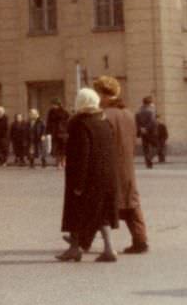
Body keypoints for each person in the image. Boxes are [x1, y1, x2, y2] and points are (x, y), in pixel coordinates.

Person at [57, 87, 119, 263]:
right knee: (102, 213)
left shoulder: (80, 123)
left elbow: (82, 154)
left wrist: (78, 184)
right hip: (106, 176)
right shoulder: (104, 121)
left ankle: (75, 249)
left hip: (87, 177)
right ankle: (108, 248)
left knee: (76, 211)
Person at [94, 75, 149, 255]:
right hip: (127, 164)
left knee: (99, 204)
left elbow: (100, 143)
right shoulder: (128, 114)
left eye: (97, 93)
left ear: (103, 94)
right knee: (131, 203)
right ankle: (140, 240)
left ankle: (81, 240)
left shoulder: (104, 115)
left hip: (110, 165)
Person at [45, 99, 70, 169]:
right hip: (55, 132)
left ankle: (63, 162)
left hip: (63, 133)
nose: (53, 106)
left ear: (58, 104)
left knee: (64, 148)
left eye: (54, 104)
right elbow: (48, 122)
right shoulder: (51, 112)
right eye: (52, 104)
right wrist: (47, 132)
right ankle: (58, 163)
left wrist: (67, 130)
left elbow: (68, 121)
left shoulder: (64, 112)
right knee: (57, 149)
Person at [135, 95, 158, 168]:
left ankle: (148, 164)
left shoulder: (139, 111)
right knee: (156, 146)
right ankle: (149, 158)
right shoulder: (151, 111)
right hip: (151, 131)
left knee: (145, 148)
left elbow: (136, 122)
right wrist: (146, 128)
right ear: (149, 103)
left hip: (143, 132)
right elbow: (152, 122)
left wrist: (141, 129)